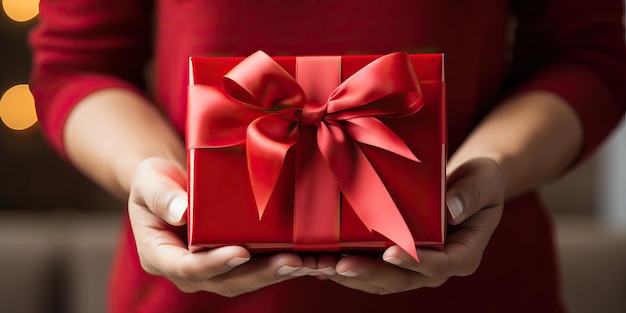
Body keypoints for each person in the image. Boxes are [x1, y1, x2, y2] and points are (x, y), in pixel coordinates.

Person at [29, 1, 625, 312]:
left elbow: (588, 56)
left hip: (477, 288)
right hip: (193, 301)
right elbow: (76, 64)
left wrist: (488, 168)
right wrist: (158, 180)